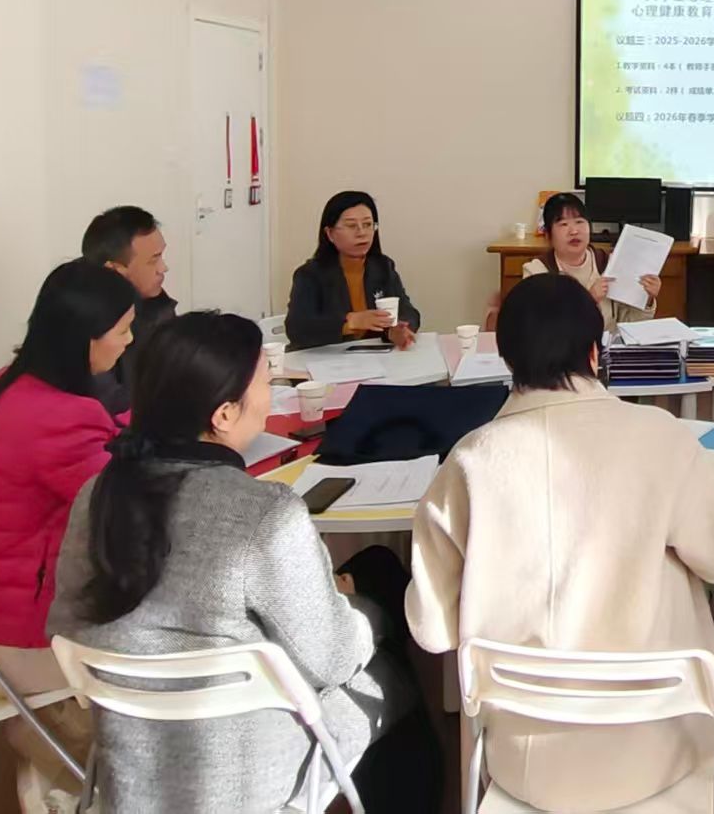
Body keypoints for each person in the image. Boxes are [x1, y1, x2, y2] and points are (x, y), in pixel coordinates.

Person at [50, 312, 438, 813]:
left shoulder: (98, 494)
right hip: (244, 767)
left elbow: (68, 621)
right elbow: (334, 659)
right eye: (265, 383)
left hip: (133, 766)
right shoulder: (263, 513)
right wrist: (369, 612)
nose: (270, 396)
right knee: (390, 670)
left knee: (374, 566)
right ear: (225, 414)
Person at [407, 273, 714, 811]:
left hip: (524, 766)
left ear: (505, 357)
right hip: (663, 746)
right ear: (595, 353)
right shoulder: (659, 435)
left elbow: (432, 628)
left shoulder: (470, 461)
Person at [0, 259, 136, 809]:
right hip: (13, 640)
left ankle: (52, 749)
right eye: (122, 331)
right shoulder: (60, 419)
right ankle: (73, 767)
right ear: (86, 337)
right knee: (160, 628)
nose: (129, 342)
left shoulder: (10, 384)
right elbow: (126, 507)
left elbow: (103, 440)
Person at [285, 190, 420, 349]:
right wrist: (351, 322)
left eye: (367, 225)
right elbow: (297, 329)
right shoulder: (309, 275)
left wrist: (397, 330)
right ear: (330, 233)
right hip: (325, 358)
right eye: (351, 226)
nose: (362, 233)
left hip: (373, 358)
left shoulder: (383, 267)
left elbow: (409, 312)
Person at [520, 191, 661, 333]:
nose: (574, 231)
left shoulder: (607, 263)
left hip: (608, 346)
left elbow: (629, 325)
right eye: (563, 224)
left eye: (579, 222)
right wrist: (589, 300)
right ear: (548, 235)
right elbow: (542, 329)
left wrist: (646, 299)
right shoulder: (537, 271)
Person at [82, 205, 176, 406]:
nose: (163, 268)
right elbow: (113, 406)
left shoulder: (157, 305)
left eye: (161, 256)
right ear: (114, 269)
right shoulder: (91, 327)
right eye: (153, 261)